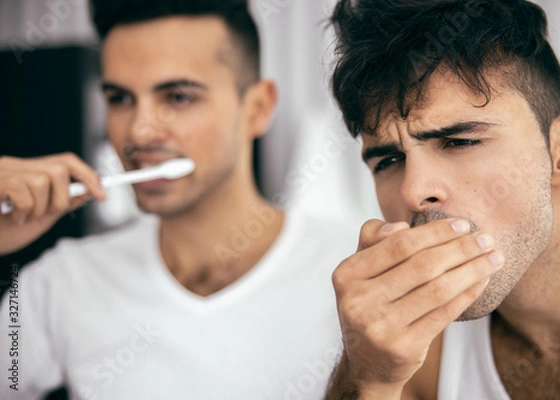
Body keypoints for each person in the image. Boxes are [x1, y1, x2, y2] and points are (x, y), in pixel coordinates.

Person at [0, 1, 358, 398]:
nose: (139, 132)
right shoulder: (56, 284)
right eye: (120, 98)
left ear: (257, 108)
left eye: (178, 97)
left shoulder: (355, 272)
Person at [325, 0, 560, 399]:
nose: (414, 192)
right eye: (389, 160)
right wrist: (366, 378)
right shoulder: (413, 359)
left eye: (460, 141)